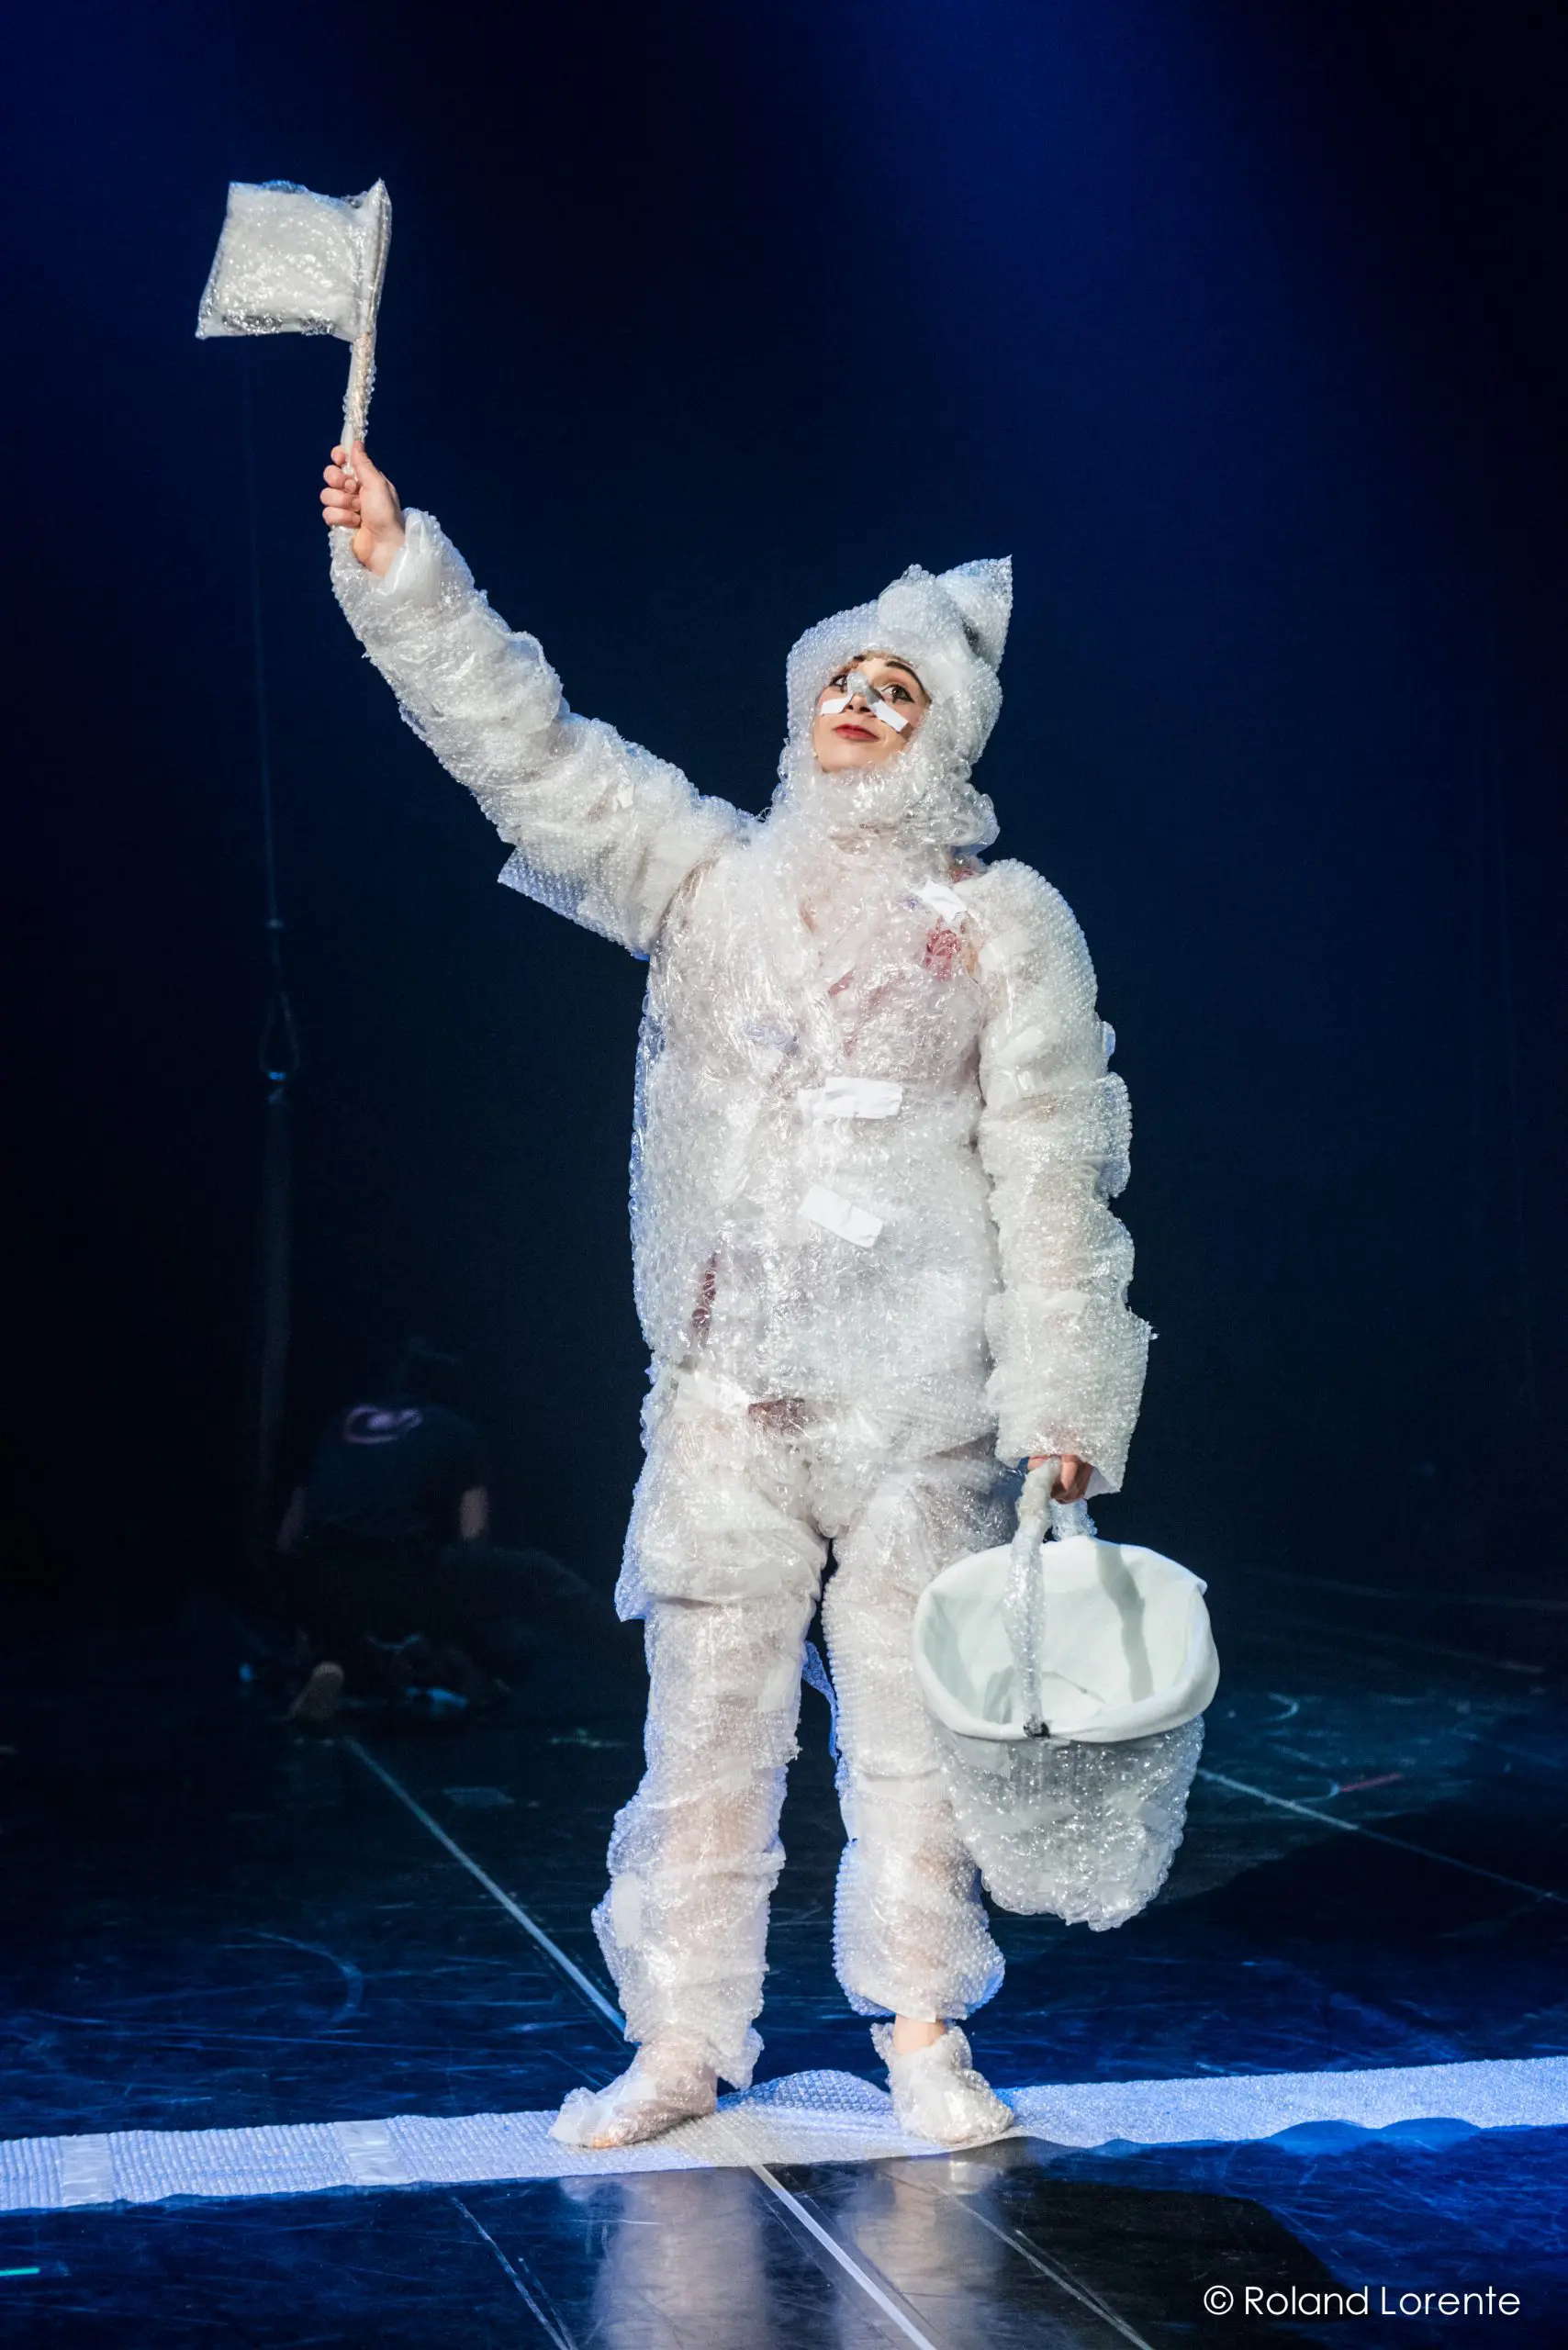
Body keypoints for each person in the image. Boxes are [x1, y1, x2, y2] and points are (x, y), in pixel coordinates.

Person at [319, 442, 1149, 2150]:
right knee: (703, 1740)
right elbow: (524, 753)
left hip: (921, 1397)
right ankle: (680, 2043)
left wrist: (1060, 1410)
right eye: (844, 671)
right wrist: (402, 569)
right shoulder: (704, 875)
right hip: (725, 1395)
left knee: (916, 1742)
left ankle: (922, 2031)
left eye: (895, 684)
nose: (858, 694)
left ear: (944, 735)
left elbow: (1055, 1169)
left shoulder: (1002, 922)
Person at [279, 1338, 595, 1722]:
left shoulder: (340, 1421)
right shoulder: (458, 1431)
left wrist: (299, 1614)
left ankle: (337, 1662)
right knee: (539, 1578)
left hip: (320, 1578)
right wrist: (460, 1629)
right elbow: (473, 1539)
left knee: (358, 1625)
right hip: (398, 1575)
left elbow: (289, 1535)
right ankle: (647, 1670)